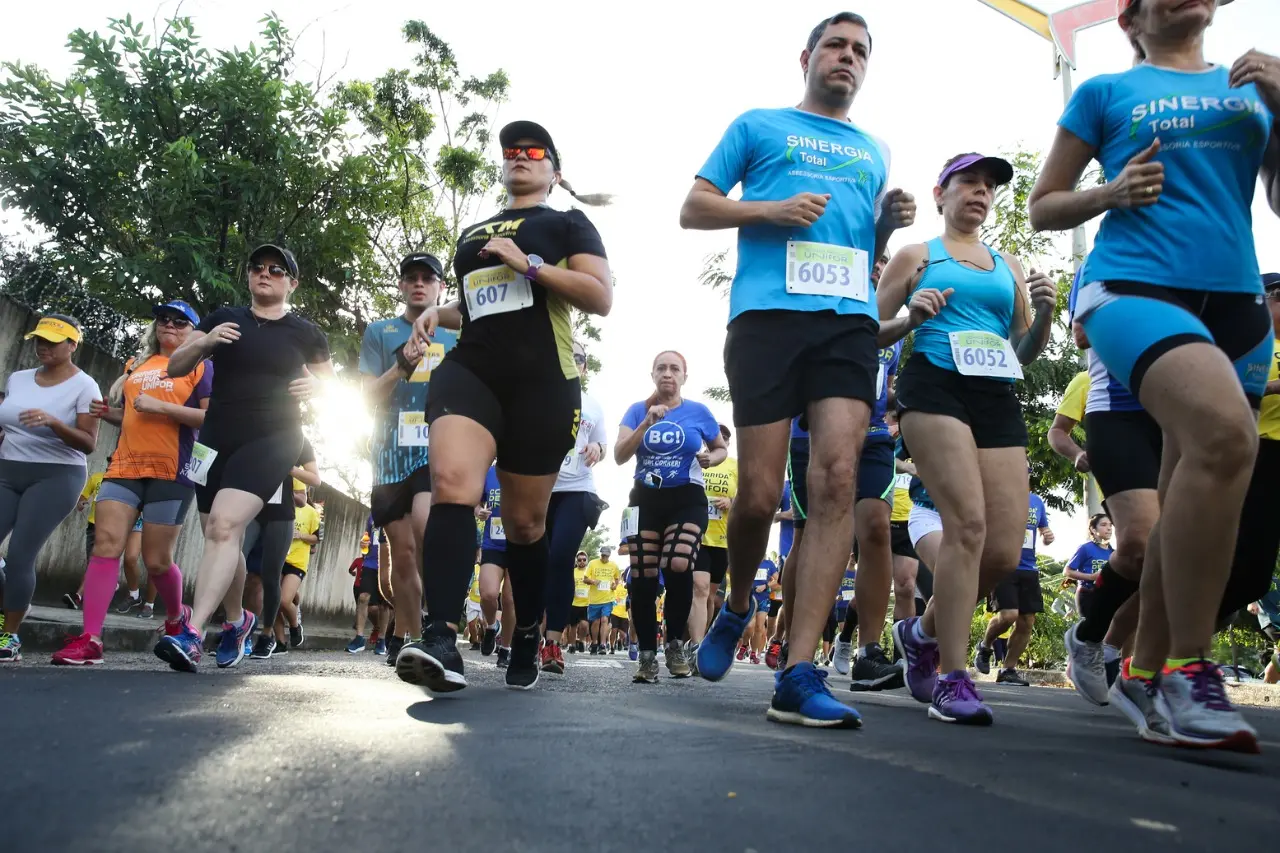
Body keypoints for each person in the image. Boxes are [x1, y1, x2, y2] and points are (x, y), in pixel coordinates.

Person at [1028, 0, 1278, 751]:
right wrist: (1110, 193)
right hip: (1133, 284)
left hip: (1235, 301)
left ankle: (1142, 668)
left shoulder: (1253, 86)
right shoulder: (1104, 92)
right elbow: (1044, 206)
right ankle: (1188, 667)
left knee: (1188, 497)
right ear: (1131, 20)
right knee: (1227, 435)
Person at [680, 11, 914, 729]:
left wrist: (884, 226)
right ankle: (742, 602)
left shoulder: (874, 149)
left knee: (836, 480)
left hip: (847, 323)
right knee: (756, 496)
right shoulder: (759, 125)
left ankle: (798, 668)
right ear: (807, 57)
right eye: (837, 46)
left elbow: (850, 238)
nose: (848, 58)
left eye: (861, 51)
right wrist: (773, 208)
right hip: (766, 318)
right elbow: (694, 207)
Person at [403, 120, 612, 693]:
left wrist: (532, 265)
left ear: (553, 170)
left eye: (533, 151)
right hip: (472, 372)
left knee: (524, 524)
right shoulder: (473, 231)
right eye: (511, 151)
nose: (520, 157)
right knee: (451, 483)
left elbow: (600, 297)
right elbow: (479, 309)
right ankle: (441, 635)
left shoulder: (567, 222)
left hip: (543, 382)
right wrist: (436, 313)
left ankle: (525, 633)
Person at [877, 151, 1057, 725]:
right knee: (968, 525)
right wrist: (909, 320)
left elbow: (1022, 353)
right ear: (941, 194)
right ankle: (954, 678)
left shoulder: (1007, 265)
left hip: (995, 395)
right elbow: (865, 331)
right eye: (968, 183)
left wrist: (1046, 317)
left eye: (988, 187)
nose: (980, 193)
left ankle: (922, 633)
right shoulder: (916, 255)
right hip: (933, 387)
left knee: (1003, 550)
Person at [155, 244, 332, 672]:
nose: (264, 274)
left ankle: (192, 632)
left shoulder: (305, 333)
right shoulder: (222, 318)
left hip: (274, 436)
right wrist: (207, 342)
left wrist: (318, 390)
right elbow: (176, 367)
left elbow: (331, 389)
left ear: (292, 282)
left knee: (223, 525)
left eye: (276, 269)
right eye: (256, 268)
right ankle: (237, 621)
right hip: (215, 437)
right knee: (220, 536)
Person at [53, 300, 212, 665]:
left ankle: (176, 617)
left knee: (156, 561)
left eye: (179, 321)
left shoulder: (202, 365)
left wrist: (163, 408)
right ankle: (90, 639)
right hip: (124, 466)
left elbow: (210, 417)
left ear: (193, 331)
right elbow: (132, 416)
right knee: (105, 546)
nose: (169, 325)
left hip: (171, 470)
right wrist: (109, 413)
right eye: (163, 319)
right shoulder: (135, 365)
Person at [360, 252, 458, 666]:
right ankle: (414, 638)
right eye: (411, 278)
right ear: (401, 285)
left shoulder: (456, 333)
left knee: (425, 529)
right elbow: (366, 397)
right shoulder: (379, 332)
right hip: (388, 453)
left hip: (438, 449)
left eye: (428, 278)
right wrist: (403, 363)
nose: (419, 284)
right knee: (400, 553)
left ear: (440, 287)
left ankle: (438, 630)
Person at [615, 351, 726, 682]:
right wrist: (646, 422)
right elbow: (620, 455)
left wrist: (713, 458)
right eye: (661, 368)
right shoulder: (637, 410)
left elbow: (721, 447)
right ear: (652, 375)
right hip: (645, 499)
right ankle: (648, 656)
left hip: (687, 498)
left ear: (684, 377)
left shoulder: (698, 412)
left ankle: (676, 643)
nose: (667, 373)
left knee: (679, 564)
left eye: (674, 368)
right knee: (644, 576)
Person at [0, 314, 102, 662]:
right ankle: (9, 601)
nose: (42, 347)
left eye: (52, 342)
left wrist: (55, 423)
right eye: (38, 340)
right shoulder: (18, 378)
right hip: (7, 469)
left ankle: (10, 636)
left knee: (20, 555)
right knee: (9, 563)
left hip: (56, 476)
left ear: (72, 345)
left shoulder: (85, 386)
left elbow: (89, 443)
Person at [540, 339, 608, 674]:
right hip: (537, 487)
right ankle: (527, 634)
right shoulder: (535, 393)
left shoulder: (593, 405)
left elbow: (604, 444)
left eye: (578, 357)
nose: (572, 361)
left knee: (561, 557)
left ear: (584, 367)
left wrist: (597, 446)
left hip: (576, 488)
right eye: (565, 353)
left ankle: (552, 643)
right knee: (535, 561)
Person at [246, 440, 320, 659]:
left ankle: (282, 630)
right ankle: (255, 634)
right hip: (252, 513)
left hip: (291, 549)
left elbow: (316, 539)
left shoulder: (297, 442)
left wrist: (287, 468)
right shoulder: (255, 435)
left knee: (279, 593)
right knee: (252, 580)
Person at [972, 492, 1054, 686]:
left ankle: (1008, 669)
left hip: (1029, 568)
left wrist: (1047, 536)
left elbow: (1043, 530)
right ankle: (985, 646)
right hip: (1003, 565)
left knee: (1027, 621)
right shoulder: (997, 495)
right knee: (1008, 615)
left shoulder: (1036, 501)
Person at [692, 425, 736, 670]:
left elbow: (747, 495)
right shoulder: (696, 461)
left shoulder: (734, 466)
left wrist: (731, 501)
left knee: (709, 596)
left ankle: (703, 640)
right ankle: (696, 647)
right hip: (697, 535)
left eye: (725, 437)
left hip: (723, 539)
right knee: (698, 588)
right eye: (717, 436)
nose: (721, 440)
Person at [273, 480, 321, 651]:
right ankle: (280, 642)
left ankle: (294, 626)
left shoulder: (312, 512)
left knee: (284, 600)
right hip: (277, 557)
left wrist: (300, 535)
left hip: (297, 562)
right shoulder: (279, 505)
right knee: (272, 602)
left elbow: (317, 539)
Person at [476, 465, 515, 661]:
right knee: (488, 594)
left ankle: (506, 649)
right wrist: (479, 511)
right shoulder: (489, 472)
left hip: (519, 544)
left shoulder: (528, 468)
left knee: (509, 600)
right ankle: (492, 626)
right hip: (493, 543)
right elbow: (476, 501)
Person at [348, 516, 390, 655]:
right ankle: (359, 638)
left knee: (384, 604)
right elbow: (367, 537)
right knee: (363, 597)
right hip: (369, 564)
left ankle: (382, 640)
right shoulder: (372, 516)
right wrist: (364, 545)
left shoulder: (397, 510)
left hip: (387, 564)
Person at [1065, 515, 1113, 617]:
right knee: (1090, 629)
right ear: (1093, 529)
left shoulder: (1113, 553)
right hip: (1087, 594)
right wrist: (1091, 577)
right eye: (1104, 525)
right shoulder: (1085, 548)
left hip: (1107, 596)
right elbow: (1067, 571)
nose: (1109, 528)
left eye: (1110, 525)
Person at [584, 546, 622, 655]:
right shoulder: (592, 563)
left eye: (606, 555)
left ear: (609, 555)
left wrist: (615, 585)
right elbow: (585, 579)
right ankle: (594, 643)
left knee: (605, 620)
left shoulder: (614, 565)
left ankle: (603, 645)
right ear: (600, 554)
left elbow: (616, 578)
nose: (604, 557)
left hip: (608, 598)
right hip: (594, 600)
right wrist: (592, 581)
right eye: (603, 555)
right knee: (595, 622)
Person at [567, 551, 591, 654]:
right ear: (576, 560)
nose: (582, 561)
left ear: (587, 561)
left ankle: (581, 641)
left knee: (584, 625)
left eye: (584, 560)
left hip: (587, 603)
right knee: (573, 626)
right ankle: (571, 645)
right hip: (574, 603)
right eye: (579, 559)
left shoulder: (590, 572)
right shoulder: (572, 571)